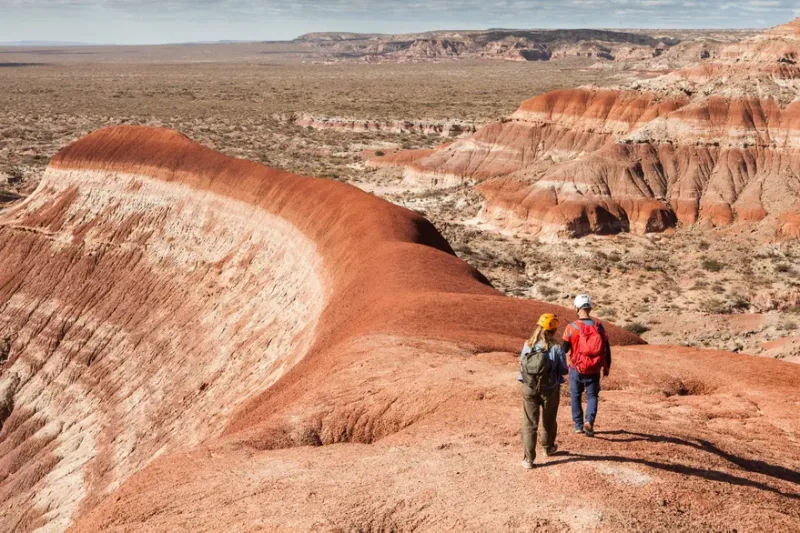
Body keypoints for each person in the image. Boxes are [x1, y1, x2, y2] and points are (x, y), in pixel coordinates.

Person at [518, 313, 568, 469]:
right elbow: (564, 370)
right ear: (553, 330)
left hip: (529, 388)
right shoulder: (556, 347)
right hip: (550, 389)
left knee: (529, 423)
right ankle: (548, 448)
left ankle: (528, 459)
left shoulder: (528, 344)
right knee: (549, 420)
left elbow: (521, 366)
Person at [562, 294, 611, 438]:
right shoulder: (599, 327)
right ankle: (589, 421)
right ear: (589, 308)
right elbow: (606, 348)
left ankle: (578, 426)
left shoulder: (571, 328)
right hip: (594, 368)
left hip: (576, 367)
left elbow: (564, 349)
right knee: (592, 396)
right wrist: (606, 366)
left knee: (576, 396)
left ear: (576, 308)